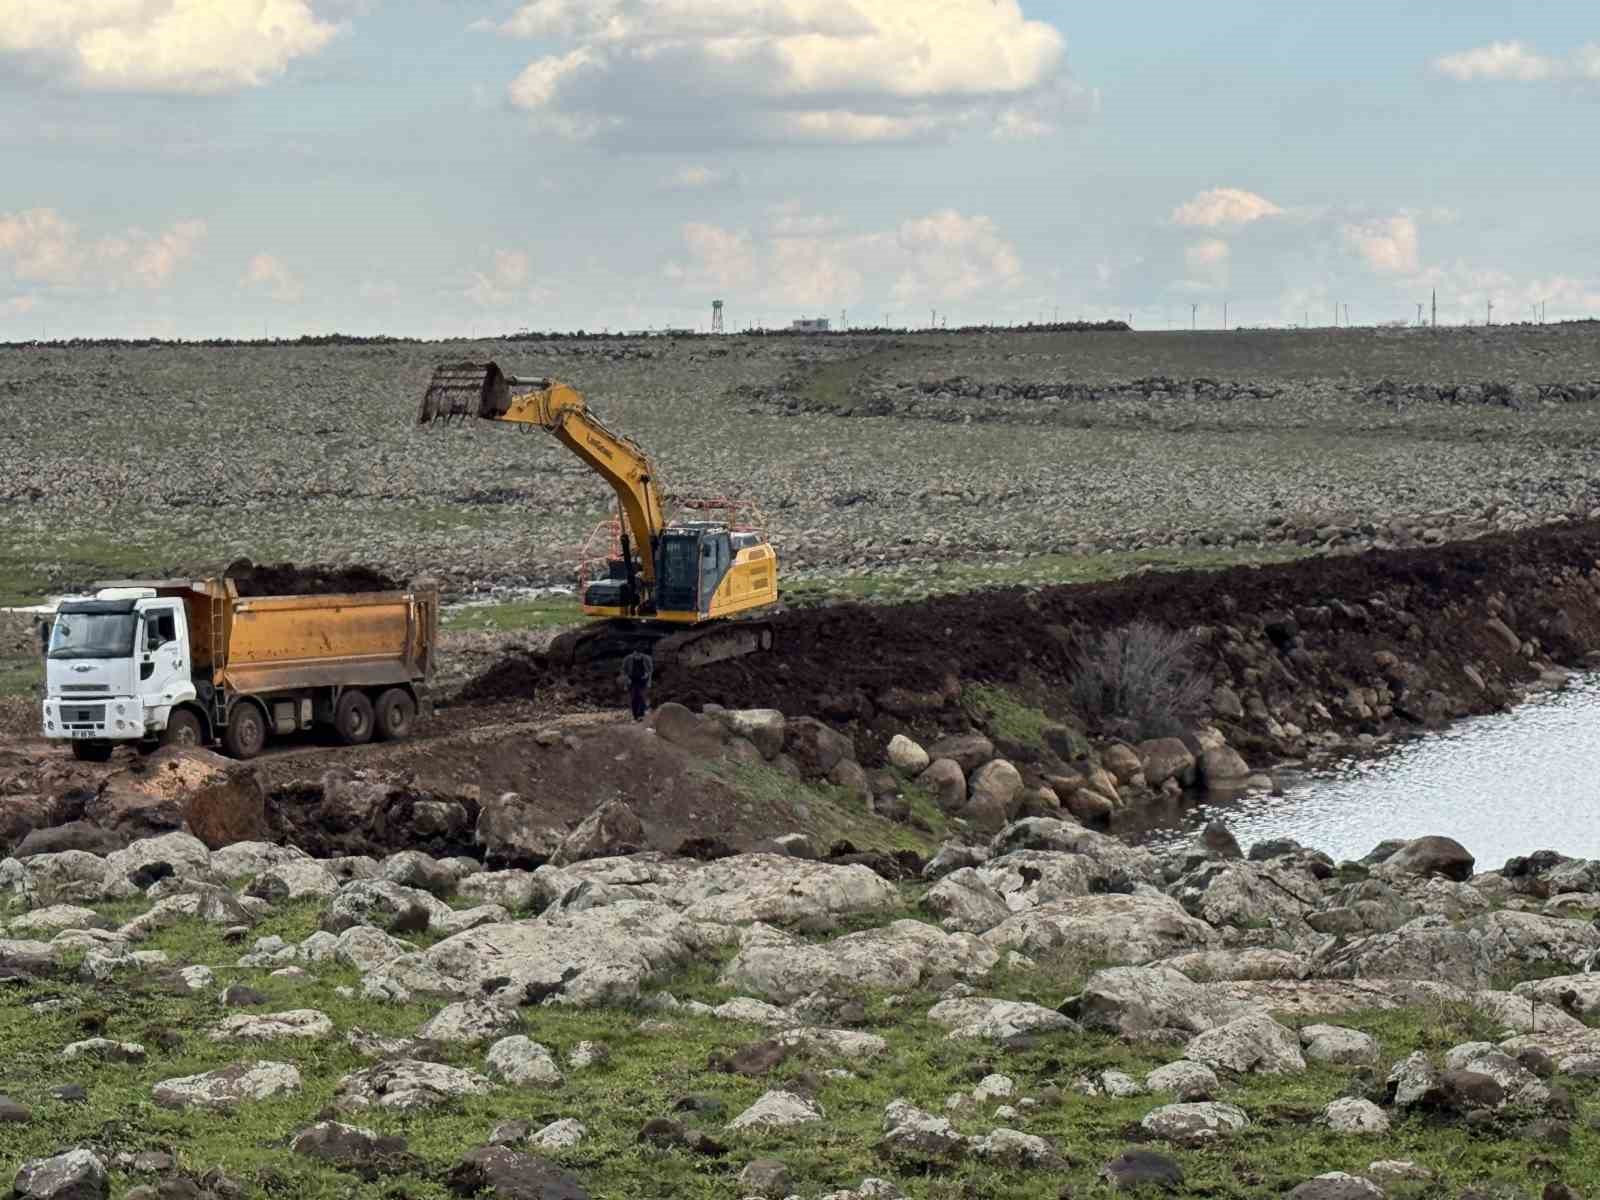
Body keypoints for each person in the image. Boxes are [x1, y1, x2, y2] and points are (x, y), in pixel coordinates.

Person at [621, 648, 654, 721]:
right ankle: (635, 715)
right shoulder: (627, 659)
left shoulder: (647, 658)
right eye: (636, 654)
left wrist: (647, 675)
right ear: (633, 653)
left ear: (642, 654)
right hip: (632, 680)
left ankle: (641, 715)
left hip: (643, 680)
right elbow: (623, 670)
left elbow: (651, 669)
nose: (637, 656)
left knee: (642, 697)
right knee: (634, 698)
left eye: (639, 655)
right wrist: (626, 679)